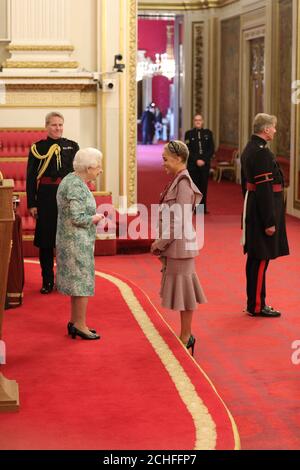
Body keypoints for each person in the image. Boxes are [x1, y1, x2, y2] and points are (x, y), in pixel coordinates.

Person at [151, 140, 207, 355]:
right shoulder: (177, 179)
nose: (163, 163)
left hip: (180, 246)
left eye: (165, 159)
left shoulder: (183, 182)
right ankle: (186, 333)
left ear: (178, 158)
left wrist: (160, 244)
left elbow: (180, 220)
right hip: (176, 246)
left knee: (186, 294)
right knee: (184, 293)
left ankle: (187, 335)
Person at [240, 113, 289, 317]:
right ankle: (257, 306)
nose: (276, 131)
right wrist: (270, 221)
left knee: (256, 259)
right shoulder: (261, 153)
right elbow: (264, 188)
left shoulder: (251, 148)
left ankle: (255, 302)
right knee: (260, 259)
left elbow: (248, 186)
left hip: (253, 207)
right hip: (263, 212)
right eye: (274, 127)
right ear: (266, 129)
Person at [26, 112, 79, 294]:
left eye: (60, 125)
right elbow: (31, 177)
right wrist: (32, 203)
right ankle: (47, 280)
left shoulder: (72, 147)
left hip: (66, 195)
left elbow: (77, 176)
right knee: (46, 241)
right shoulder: (37, 148)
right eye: (54, 125)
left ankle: (65, 280)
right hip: (46, 196)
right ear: (47, 126)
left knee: (66, 241)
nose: (58, 128)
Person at [56, 148, 104, 340]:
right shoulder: (76, 185)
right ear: (90, 167)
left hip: (71, 239)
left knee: (78, 285)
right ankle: (80, 325)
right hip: (76, 242)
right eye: (99, 166)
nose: (100, 170)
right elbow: (77, 217)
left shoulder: (71, 178)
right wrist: (95, 218)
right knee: (82, 283)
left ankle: (76, 322)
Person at [185, 114, 214, 214]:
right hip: (193, 165)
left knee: (203, 187)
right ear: (193, 121)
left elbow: (211, 149)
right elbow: (188, 149)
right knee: (193, 188)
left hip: (204, 165)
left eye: (200, 120)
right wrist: (196, 160)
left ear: (203, 121)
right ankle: (193, 209)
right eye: (196, 120)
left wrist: (204, 160)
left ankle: (201, 210)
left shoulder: (208, 133)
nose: (198, 122)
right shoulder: (189, 134)